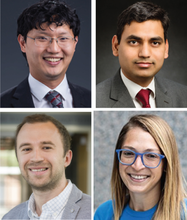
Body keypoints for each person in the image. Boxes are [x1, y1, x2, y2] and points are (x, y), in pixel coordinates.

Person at [94, 114, 187, 220]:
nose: (137, 166)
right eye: (129, 153)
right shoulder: (104, 213)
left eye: (151, 156)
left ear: (166, 164)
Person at [0, 0, 91, 108]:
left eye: (63, 38)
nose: (54, 49)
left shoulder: (92, 100)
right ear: (23, 43)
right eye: (42, 38)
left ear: (74, 43)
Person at [96, 1, 187, 108]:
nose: (145, 53)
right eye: (134, 42)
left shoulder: (183, 96)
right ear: (116, 46)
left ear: (166, 49)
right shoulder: (95, 99)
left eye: (155, 43)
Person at [2, 114, 91, 219]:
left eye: (46, 147)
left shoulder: (92, 213)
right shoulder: (9, 218)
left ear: (67, 158)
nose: (36, 158)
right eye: (26, 149)